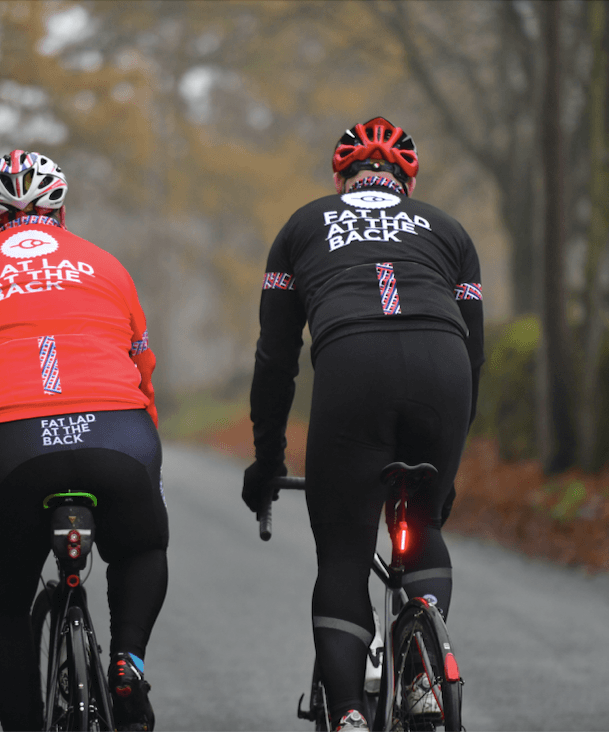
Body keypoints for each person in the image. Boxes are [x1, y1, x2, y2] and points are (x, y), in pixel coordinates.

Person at [241, 118, 484, 731]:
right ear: (407, 178)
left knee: (345, 553)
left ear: (340, 177)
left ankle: (348, 711)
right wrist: (445, 472)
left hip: (353, 369)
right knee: (421, 522)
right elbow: (475, 355)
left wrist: (268, 460)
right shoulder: (449, 231)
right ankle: (425, 673)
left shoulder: (302, 225)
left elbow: (275, 359)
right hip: (443, 369)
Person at [0, 150, 166, 731]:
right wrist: (144, 473)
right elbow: (144, 373)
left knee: (2, 606)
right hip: (119, 435)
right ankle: (128, 661)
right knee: (139, 549)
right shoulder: (107, 267)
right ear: (60, 209)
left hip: (8, 451)